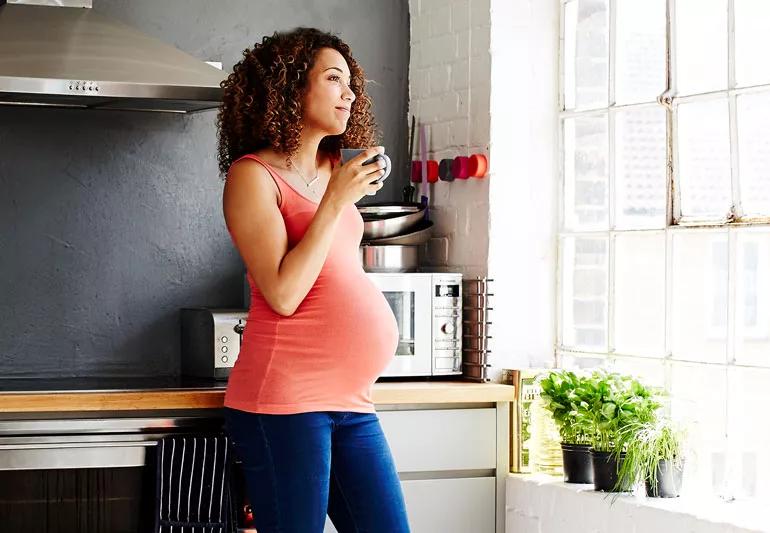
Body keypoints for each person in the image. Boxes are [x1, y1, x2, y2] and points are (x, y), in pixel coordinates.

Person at [216, 27, 410, 533]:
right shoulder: (252, 176)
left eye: (352, 84)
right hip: (285, 401)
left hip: (351, 401)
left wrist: (337, 195)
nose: (349, 94)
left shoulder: (333, 169)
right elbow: (282, 293)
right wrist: (335, 202)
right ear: (291, 87)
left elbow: (336, 273)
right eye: (333, 79)